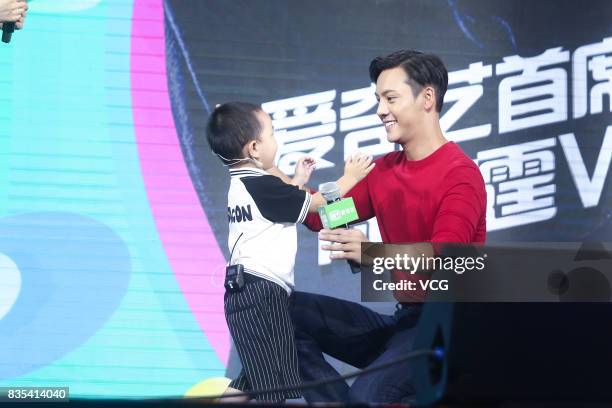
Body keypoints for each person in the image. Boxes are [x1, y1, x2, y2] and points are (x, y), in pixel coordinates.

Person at [289, 50, 487, 404]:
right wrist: (279, 181)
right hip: (406, 324)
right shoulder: (384, 171)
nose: (380, 110)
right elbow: (322, 216)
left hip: (449, 331)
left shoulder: (461, 174)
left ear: (427, 98)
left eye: (390, 98)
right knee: (282, 313)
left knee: (368, 398)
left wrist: (373, 254)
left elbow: (446, 256)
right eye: (377, 99)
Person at [205, 102, 374, 402]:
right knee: (273, 386)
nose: (276, 141)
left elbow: (291, 205)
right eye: (272, 133)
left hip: (248, 292)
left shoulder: (244, 184)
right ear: (255, 148)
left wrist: (297, 182)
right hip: (261, 293)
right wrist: (351, 177)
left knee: (256, 377)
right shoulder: (262, 186)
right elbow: (317, 207)